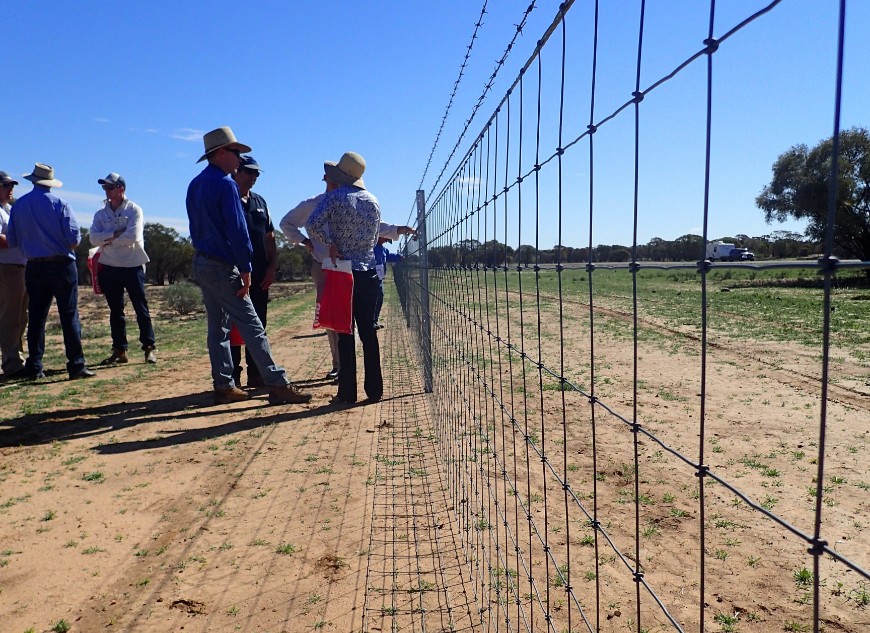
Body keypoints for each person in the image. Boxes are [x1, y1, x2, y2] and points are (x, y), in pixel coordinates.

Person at [185, 126, 310, 405]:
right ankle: (277, 383)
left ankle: (224, 383)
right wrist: (246, 268)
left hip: (202, 263)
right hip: (223, 265)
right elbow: (237, 231)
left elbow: (195, 227)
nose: (239, 160)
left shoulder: (196, 184)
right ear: (219, 154)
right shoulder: (226, 184)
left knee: (218, 326)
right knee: (252, 324)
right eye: (235, 153)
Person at [280, 168, 416, 382]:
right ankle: (339, 367)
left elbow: (370, 226)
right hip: (325, 265)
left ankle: (346, 379)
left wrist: (396, 229)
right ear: (327, 179)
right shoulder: (313, 203)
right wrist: (307, 243)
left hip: (350, 266)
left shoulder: (352, 200)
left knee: (348, 324)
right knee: (336, 321)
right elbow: (286, 223)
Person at [306, 152, 384, 404]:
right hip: (368, 272)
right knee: (369, 332)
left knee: (345, 331)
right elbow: (373, 240)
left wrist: (331, 243)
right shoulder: (373, 200)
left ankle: (347, 392)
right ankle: (374, 390)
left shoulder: (334, 198)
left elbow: (312, 224)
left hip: (343, 272)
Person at [6, 164, 94, 380]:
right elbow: (74, 240)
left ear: (33, 180)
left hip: (34, 265)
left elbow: (13, 240)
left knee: (36, 317)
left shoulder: (18, 206)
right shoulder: (61, 204)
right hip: (61, 265)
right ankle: (76, 364)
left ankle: (35, 366)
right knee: (69, 315)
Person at [89, 173, 157, 365]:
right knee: (115, 311)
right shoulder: (100, 214)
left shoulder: (134, 210)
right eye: (105, 188)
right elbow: (93, 239)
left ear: (121, 188)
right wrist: (114, 234)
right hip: (109, 265)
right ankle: (120, 350)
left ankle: (149, 348)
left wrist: (108, 240)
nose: (107, 191)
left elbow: (132, 237)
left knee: (140, 307)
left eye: (111, 187)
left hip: (132, 265)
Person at [229, 156, 275, 388]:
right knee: (233, 325)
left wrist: (271, 267)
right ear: (236, 171)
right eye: (249, 172)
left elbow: (270, 238)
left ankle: (256, 374)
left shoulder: (260, 202)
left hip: (259, 274)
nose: (253, 177)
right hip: (232, 273)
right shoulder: (227, 199)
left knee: (258, 325)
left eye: (257, 173)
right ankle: (233, 376)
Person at [0, 171, 28, 378]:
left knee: (21, 315)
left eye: (12, 186)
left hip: (21, 266)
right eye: (6, 185)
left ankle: (18, 357)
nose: (11, 189)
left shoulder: (9, 209)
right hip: (7, 267)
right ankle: (11, 362)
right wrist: (20, 239)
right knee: (10, 316)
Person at [372, 237, 403, 329]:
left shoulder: (384, 249)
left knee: (379, 299)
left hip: (379, 279)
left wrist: (398, 257)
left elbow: (389, 256)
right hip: (372, 278)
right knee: (373, 300)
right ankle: (370, 321)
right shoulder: (372, 248)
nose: (386, 241)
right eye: (385, 239)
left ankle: (375, 321)